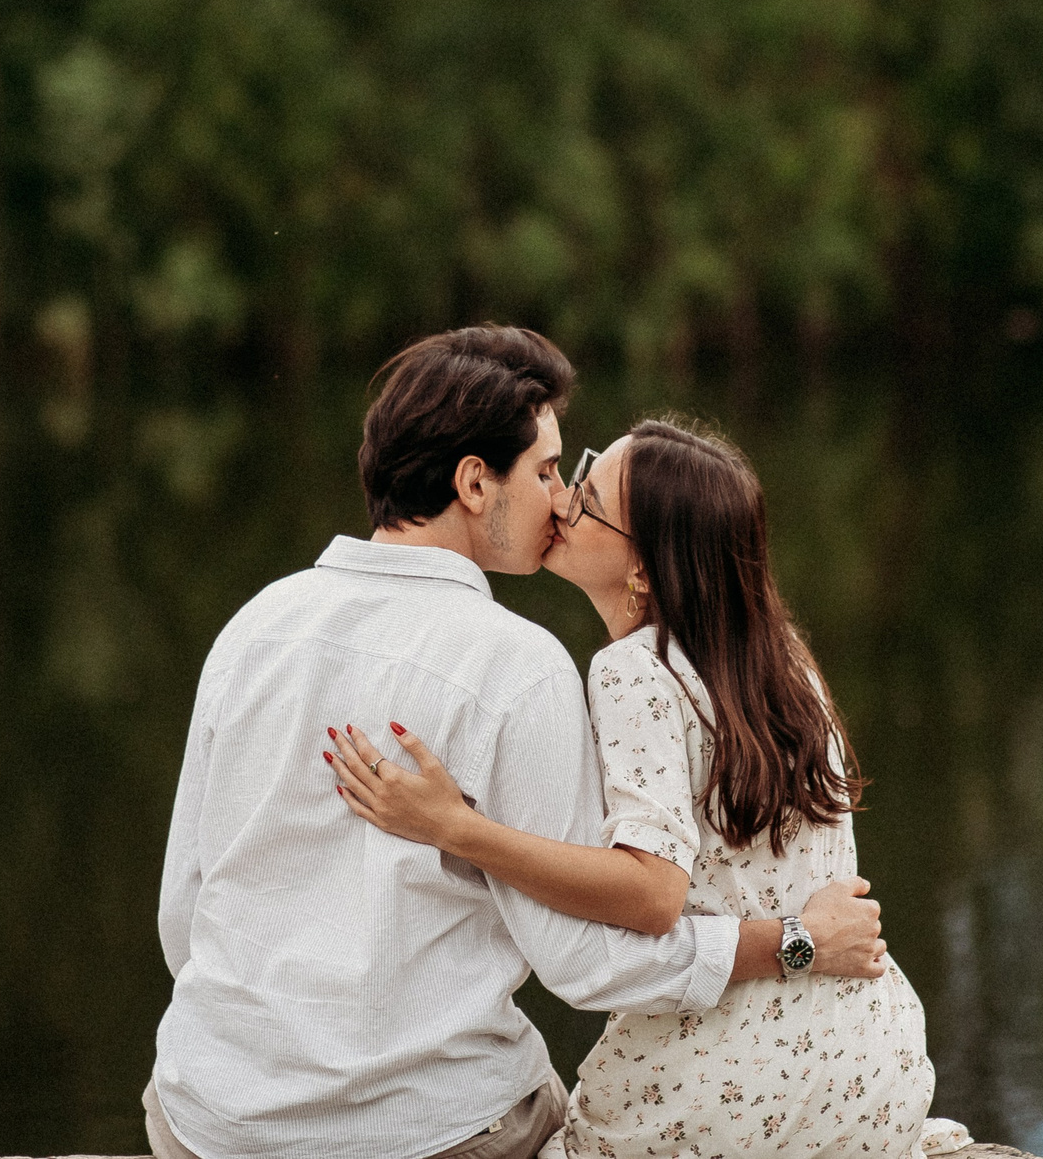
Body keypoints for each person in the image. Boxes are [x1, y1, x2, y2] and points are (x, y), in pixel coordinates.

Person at [144, 328, 891, 1159]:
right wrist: (793, 942)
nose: (560, 500)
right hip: (427, 1136)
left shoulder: (255, 627)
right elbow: (586, 964)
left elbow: (185, 913)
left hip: (204, 1121)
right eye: (544, 471)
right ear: (473, 482)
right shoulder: (520, 667)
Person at [328, 416, 977, 1159]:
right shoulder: (783, 658)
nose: (563, 503)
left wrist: (456, 827)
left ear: (643, 568)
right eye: (574, 476)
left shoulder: (633, 670)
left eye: (588, 497)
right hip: (871, 1073)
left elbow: (652, 891)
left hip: (723, 1090)